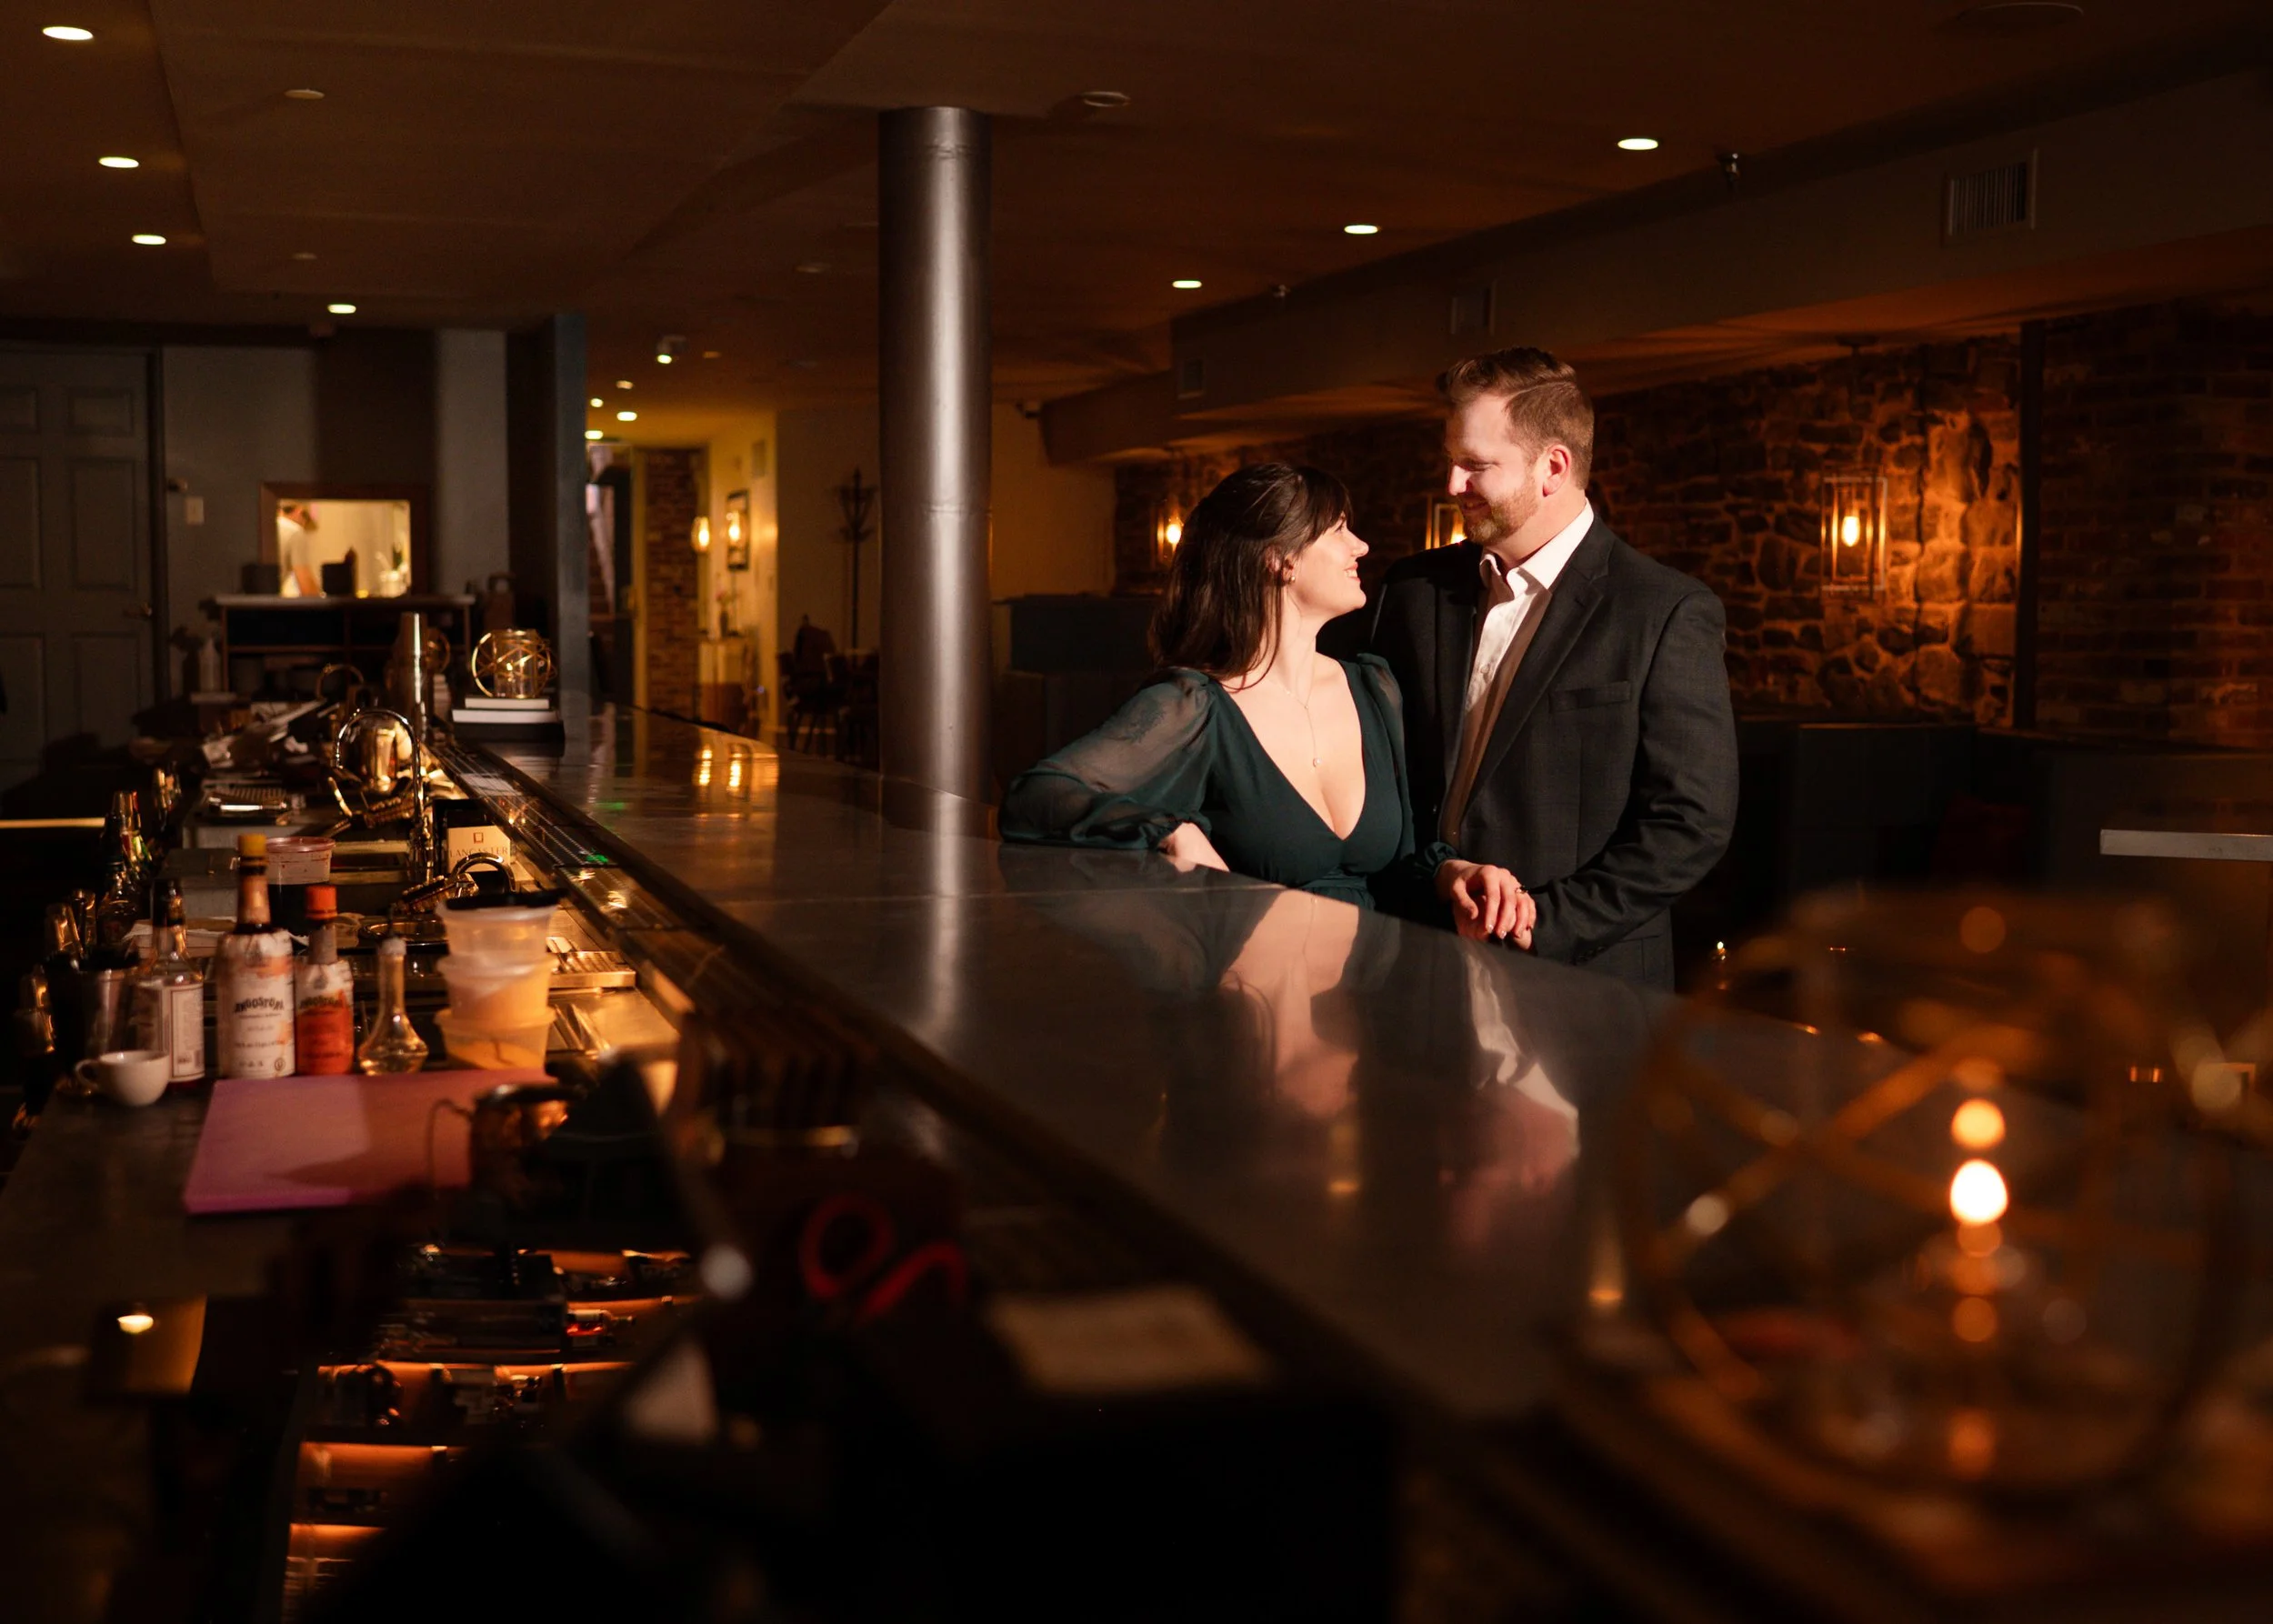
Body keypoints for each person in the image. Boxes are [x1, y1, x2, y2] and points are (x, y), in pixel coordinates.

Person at [1002, 462, 1528, 940]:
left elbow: (1402, 863)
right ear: (1280, 560)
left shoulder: (1374, 688)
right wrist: (1171, 831)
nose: (1361, 546)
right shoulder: (1196, 704)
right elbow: (1036, 796)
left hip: (1377, 996)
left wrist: (1452, 874)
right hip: (1260, 998)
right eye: (1339, 529)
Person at [1360, 346, 1737, 987]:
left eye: (1475, 465)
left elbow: (1690, 823)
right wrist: (1437, 872)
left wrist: (1543, 923)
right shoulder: (1413, 590)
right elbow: (1379, 770)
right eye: (1451, 461)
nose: (1452, 484)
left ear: (1553, 468)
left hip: (1581, 978)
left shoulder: (1663, 610)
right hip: (1417, 954)